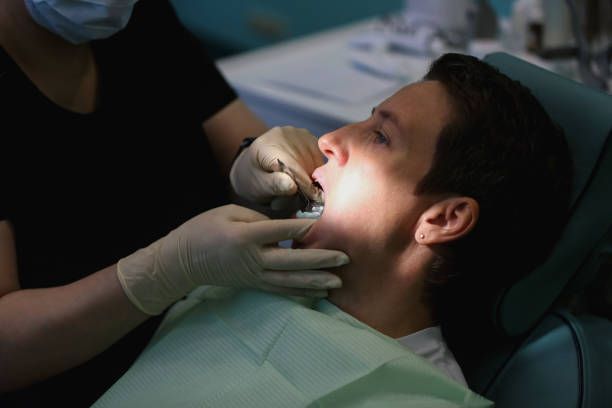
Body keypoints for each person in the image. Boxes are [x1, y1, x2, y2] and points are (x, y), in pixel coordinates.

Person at [91, 53, 573, 407]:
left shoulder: (421, 398)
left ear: (442, 220)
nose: (329, 140)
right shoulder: (233, 282)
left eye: (380, 136)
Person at [0, 0, 349, 406]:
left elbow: (261, 165)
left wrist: (257, 172)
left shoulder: (140, 21)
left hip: (204, 343)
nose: (338, 145)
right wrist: (163, 272)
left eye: (380, 134)